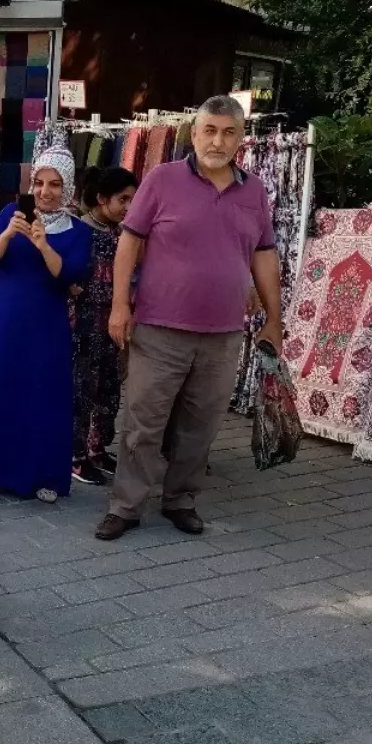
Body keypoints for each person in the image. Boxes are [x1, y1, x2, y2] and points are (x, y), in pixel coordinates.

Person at [97, 95, 283, 541]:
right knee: (144, 422)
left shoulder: (253, 191)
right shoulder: (162, 179)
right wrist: (120, 305)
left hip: (222, 335)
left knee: (200, 426)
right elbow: (129, 244)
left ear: (241, 138)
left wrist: (274, 318)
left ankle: (180, 499)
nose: (217, 140)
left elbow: (264, 254)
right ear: (194, 133)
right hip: (160, 329)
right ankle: (126, 505)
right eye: (210, 130)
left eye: (228, 132)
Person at [0, 146, 92, 507]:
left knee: (43, 396)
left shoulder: (78, 231)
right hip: (3, 321)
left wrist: (43, 244)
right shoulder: (11, 212)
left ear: (67, 189)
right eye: (39, 182)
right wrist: (7, 234)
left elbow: (69, 275)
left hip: (47, 326)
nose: (45, 191)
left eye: (54, 184)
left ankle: (45, 474)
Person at [70, 166, 138, 486]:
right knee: (84, 387)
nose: (128, 206)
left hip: (112, 322)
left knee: (108, 386)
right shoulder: (79, 230)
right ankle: (75, 455)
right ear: (101, 198)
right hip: (85, 323)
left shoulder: (121, 233)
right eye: (122, 199)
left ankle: (98, 448)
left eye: (132, 200)